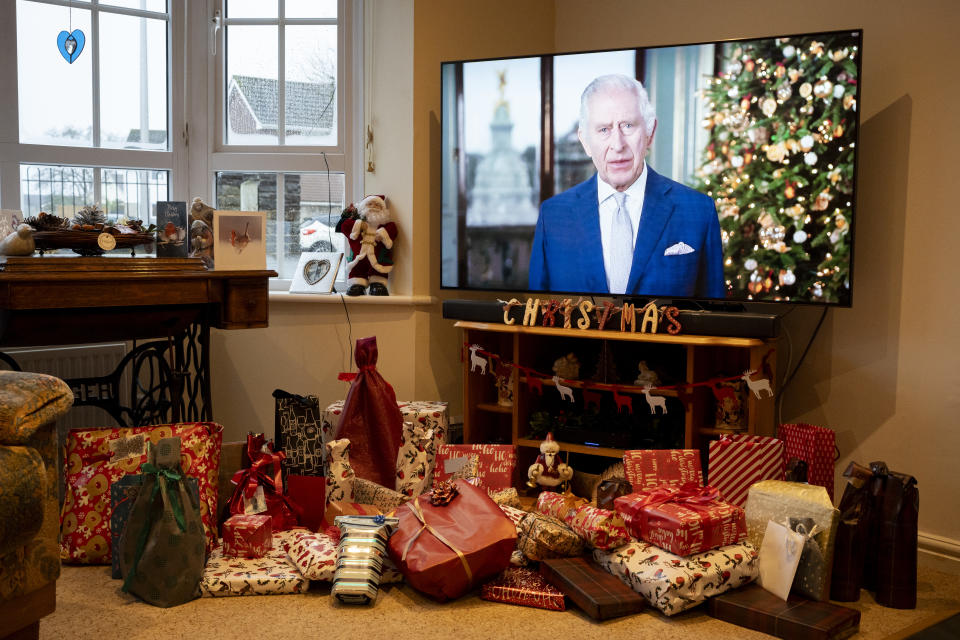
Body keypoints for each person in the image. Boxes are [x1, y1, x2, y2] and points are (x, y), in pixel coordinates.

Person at [528, 74, 725, 298]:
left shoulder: (698, 210)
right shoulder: (553, 216)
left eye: (628, 126)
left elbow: (713, 316)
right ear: (585, 141)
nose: (617, 145)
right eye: (604, 130)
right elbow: (538, 318)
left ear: (650, 133)